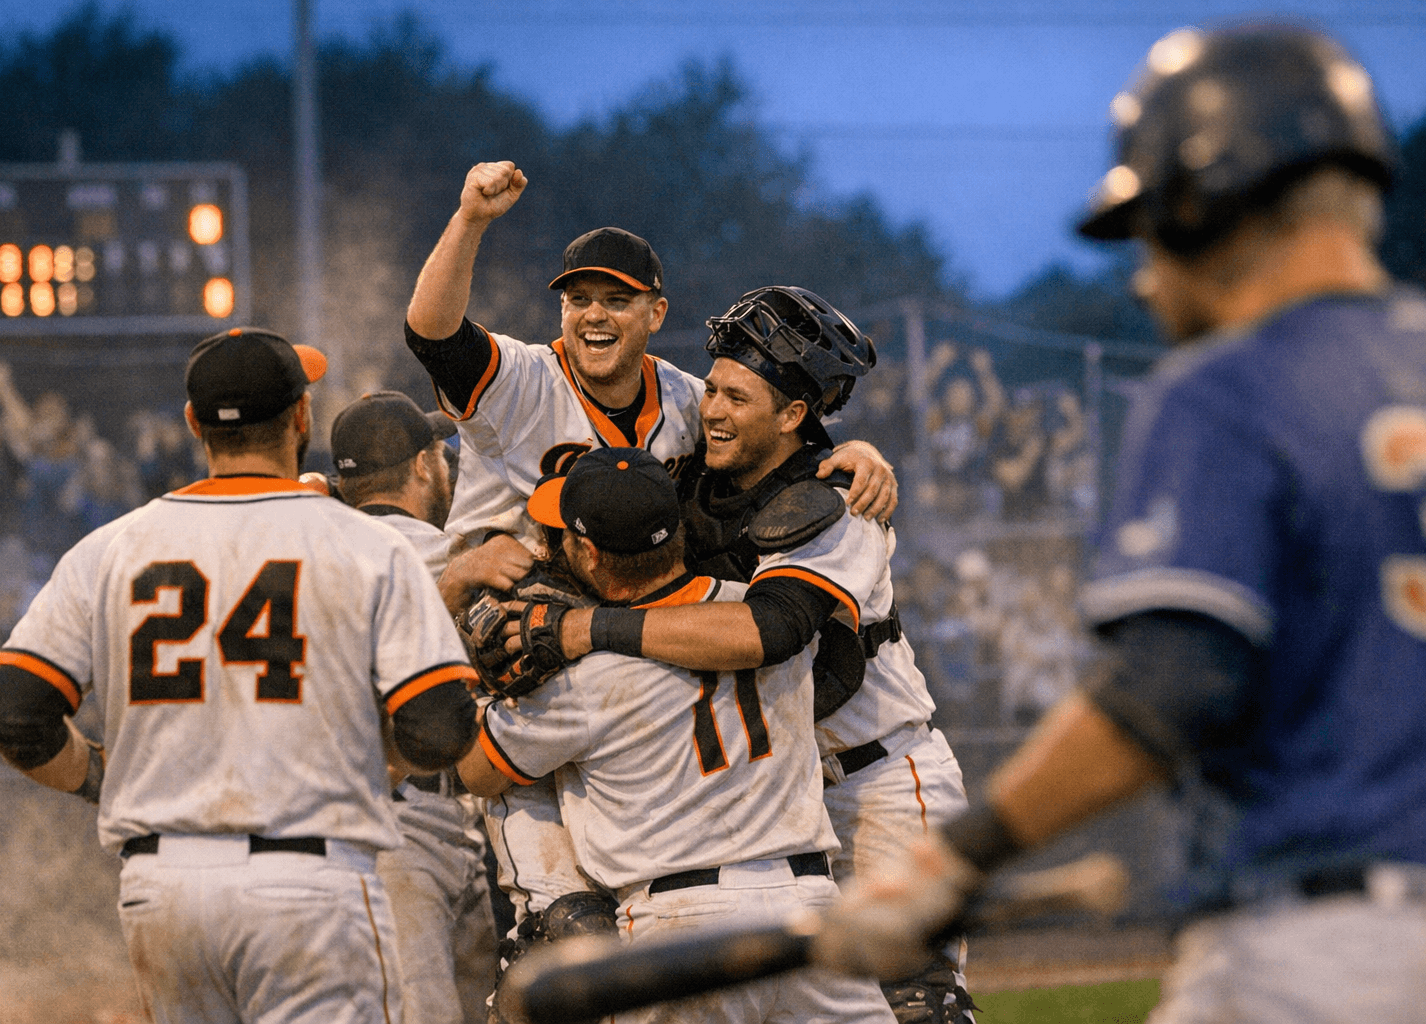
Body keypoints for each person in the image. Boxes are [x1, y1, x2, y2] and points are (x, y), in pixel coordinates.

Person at [812, 24, 1426, 1024]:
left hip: (1324, 946)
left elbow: (1172, 684)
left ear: (1203, 201)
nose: (1144, 273)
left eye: (1149, 228)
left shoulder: (1229, 385)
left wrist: (949, 861)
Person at [404, 161, 901, 969]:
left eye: (617, 298)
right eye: (578, 299)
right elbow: (433, 336)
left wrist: (850, 452)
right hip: (512, 613)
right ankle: (550, 914)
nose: (594, 314)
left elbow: (768, 447)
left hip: (613, 632)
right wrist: (469, 221)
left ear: (655, 312)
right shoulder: (527, 379)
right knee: (567, 907)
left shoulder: (686, 399)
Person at [0, 327, 481, 1023]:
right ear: (302, 417)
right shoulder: (369, 548)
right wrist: (376, 761)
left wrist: (96, 775)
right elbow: (441, 726)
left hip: (163, 889)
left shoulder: (112, 548)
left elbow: (13, 714)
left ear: (193, 423)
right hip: (309, 883)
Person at [535, 286, 973, 1022]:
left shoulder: (839, 503)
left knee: (916, 1001)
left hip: (878, 779)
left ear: (794, 414)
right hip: (784, 802)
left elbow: (771, 633)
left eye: (737, 397)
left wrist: (591, 630)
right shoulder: (696, 480)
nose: (711, 408)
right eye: (712, 388)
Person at [460, 446, 897, 1024]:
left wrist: (477, 685)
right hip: (807, 912)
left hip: (677, 932)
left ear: (590, 553)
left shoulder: (583, 675)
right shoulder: (757, 611)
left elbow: (478, 772)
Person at [329, 389, 498, 1024]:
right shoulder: (445, 553)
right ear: (425, 466)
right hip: (406, 825)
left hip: (368, 817)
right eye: (441, 455)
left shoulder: (308, 551)